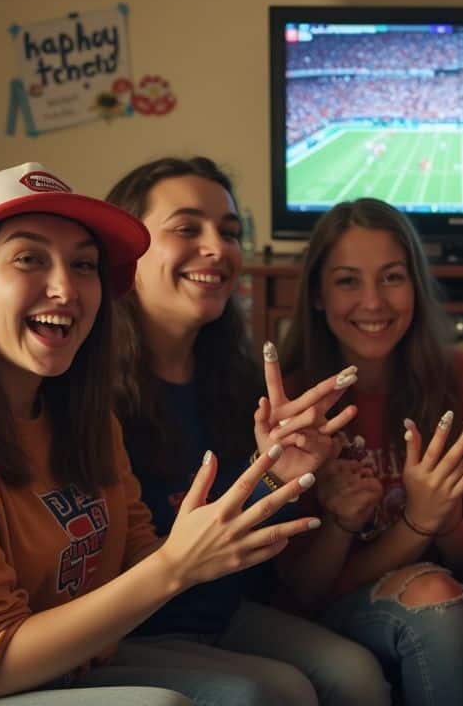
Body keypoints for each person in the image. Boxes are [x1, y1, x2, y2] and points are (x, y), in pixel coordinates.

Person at [0, 163, 321, 706]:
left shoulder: (82, 410)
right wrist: (174, 566)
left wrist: (253, 499)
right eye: (29, 258)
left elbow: (139, 562)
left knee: (279, 691)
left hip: (57, 669)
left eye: (84, 264)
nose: (65, 287)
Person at [104, 157, 391, 706]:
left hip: (222, 613)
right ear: (127, 249)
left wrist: (287, 477)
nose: (217, 247)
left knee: (355, 674)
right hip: (128, 626)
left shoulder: (242, 383)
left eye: (229, 232)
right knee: (268, 692)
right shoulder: (89, 387)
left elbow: (261, 564)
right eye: (188, 228)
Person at [274, 197, 463, 706]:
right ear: (317, 294)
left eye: (392, 277)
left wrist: (443, 522)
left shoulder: (462, 380)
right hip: (330, 614)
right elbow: (298, 595)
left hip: (450, 597)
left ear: (416, 287)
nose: (373, 302)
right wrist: (387, 526)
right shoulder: (293, 400)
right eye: (348, 281)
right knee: (436, 600)